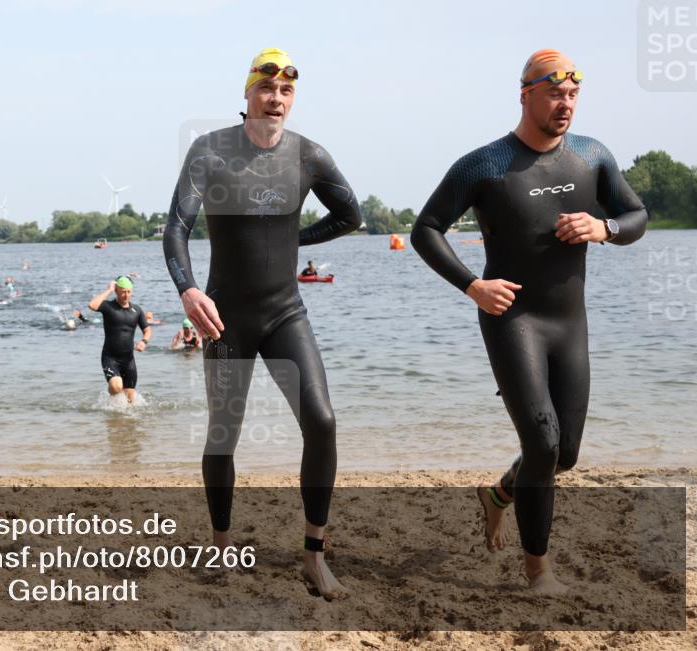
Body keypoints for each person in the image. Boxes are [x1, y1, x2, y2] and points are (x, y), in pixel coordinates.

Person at [410, 49, 647, 594]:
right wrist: (473, 285)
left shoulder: (592, 157)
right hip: (512, 318)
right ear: (526, 96)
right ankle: (538, 571)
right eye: (554, 93)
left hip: (570, 323)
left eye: (573, 94)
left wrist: (604, 228)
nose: (566, 104)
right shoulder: (484, 165)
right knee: (542, 444)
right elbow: (426, 228)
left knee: (565, 454)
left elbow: (636, 216)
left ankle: (498, 494)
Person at [163, 47, 361, 599]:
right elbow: (176, 229)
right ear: (247, 94)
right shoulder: (211, 150)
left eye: (286, 91)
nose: (276, 99)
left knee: (321, 420)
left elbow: (351, 216)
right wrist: (189, 290)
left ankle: (314, 556)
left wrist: (295, 238)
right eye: (266, 89)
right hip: (224, 317)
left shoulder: (308, 155)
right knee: (224, 433)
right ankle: (222, 545)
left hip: (285, 313)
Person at [88, 276, 152, 403]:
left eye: (128, 292)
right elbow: (92, 305)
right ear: (116, 290)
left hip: (129, 361)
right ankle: (110, 394)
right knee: (117, 387)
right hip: (110, 358)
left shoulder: (136, 310)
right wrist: (109, 290)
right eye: (123, 292)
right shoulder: (108, 306)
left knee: (130, 403)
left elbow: (147, 330)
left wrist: (144, 342)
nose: (126, 295)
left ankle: (113, 411)